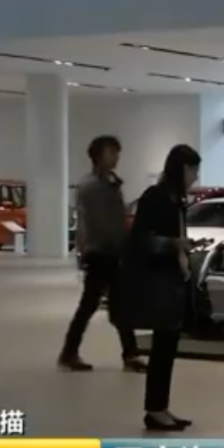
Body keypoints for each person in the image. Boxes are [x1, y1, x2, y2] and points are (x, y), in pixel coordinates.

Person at [114, 144, 202, 431]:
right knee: (162, 349)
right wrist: (173, 244)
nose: (195, 177)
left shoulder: (176, 199)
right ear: (181, 168)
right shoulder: (156, 197)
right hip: (158, 281)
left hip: (172, 279)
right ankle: (154, 410)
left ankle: (160, 407)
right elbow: (140, 240)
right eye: (193, 170)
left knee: (167, 347)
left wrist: (182, 247)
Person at [58, 136, 145, 373]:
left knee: (114, 304)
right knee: (96, 305)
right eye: (112, 152)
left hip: (110, 251)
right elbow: (101, 223)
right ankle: (72, 353)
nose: (116, 157)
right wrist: (119, 244)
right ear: (98, 156)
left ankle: (128, 353)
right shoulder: (93, 186)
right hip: (102, 253)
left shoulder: (109, 182)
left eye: (117, 152)